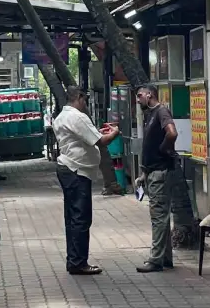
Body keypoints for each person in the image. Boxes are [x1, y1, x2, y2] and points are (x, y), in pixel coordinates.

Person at [53, 87, 119, 276]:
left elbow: (84, 137)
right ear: (79, 98)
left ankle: (73, 260)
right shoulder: (77, 117)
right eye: (85, 100)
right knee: (81, 218)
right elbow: (102, 141)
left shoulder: (61, 117)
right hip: (77, 171)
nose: (86, 104)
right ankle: (79, 262)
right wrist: (115, 132)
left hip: (68, 168)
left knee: (72, 218)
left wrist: (98, 133)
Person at [135, 84, 180, 272]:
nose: (137, 100)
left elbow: (172, 132)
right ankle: (165, 257)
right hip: (153, 172)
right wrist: (144, 174)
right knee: (161, 216)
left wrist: (165, 148)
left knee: (158, 216)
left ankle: (155, 260)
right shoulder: (150, 114)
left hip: (160, 172)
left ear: (149, 95)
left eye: (139, 96)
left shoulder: (161, 111)